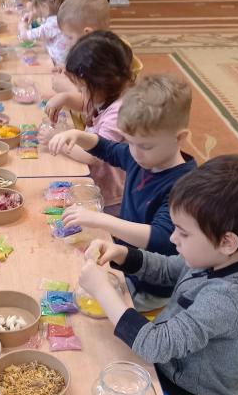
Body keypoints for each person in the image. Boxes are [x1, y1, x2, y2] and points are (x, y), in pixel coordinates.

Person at [79, 156, 238, 395]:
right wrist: (123, 254)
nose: (173, 238)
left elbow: (154, 346)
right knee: (94, 359)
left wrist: (102, 291)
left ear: (227, 241)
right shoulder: (220, 257)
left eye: (183, 233)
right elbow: (169, 268)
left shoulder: (229, 298)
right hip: (171, 361)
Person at [48, 75, 195, 311]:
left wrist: (100, 219)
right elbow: (109, 149)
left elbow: (160, 238)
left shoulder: (185, 186)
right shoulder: (143, 157)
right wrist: (78, 136)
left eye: (144, 146)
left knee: (81, 302)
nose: (135, 153)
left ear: (179, 138)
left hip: (148, 284)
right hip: (122, 257)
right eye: (130, 142)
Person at [46, 31, 136, 211]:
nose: (81, 93)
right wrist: (65, 97)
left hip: (110, 195)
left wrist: (57, 140)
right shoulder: (105, 94)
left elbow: (92, 156)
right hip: (95, 182)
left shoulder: (118, 112)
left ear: (101, 83)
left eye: (83, 88)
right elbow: (85, 103)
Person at [49, 0, 142, 107]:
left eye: (69, 37)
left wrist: (68, 90)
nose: (66, 43)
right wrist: (71, 71)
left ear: (87, 34)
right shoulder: (100, 50)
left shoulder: (108, 59)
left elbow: (95, 106)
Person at [17, 0, 76, 69]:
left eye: (38, 7)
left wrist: (22, 27)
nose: (37, 11)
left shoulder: (55, 22)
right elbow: (44, 21)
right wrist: (35, 14)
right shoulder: (61, 17)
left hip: (58, 67)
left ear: (45, 7)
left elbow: (27, 35)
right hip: (56, 62)